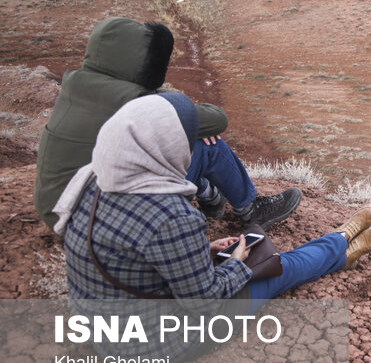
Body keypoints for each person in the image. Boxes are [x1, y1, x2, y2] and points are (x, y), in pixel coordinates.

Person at [53, 94, 371, 360]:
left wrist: (202, 251)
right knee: (280, 268)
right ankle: (339, 245)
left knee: (245, 260)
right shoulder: (173, 217)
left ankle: (338, 251)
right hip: (154, 343)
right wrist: (236, 263)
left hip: (104, 327)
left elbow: (127, 248)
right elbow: (207, 304)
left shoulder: (92, 180)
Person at [34, 17, 299, 233]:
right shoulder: (132, 100)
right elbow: (217, 119)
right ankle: (250, 210)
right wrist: (187, 120)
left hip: (59, 210)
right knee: (207, 145)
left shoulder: (74, 82)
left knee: (178, 138)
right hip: (101, 223)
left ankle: (209, 195)